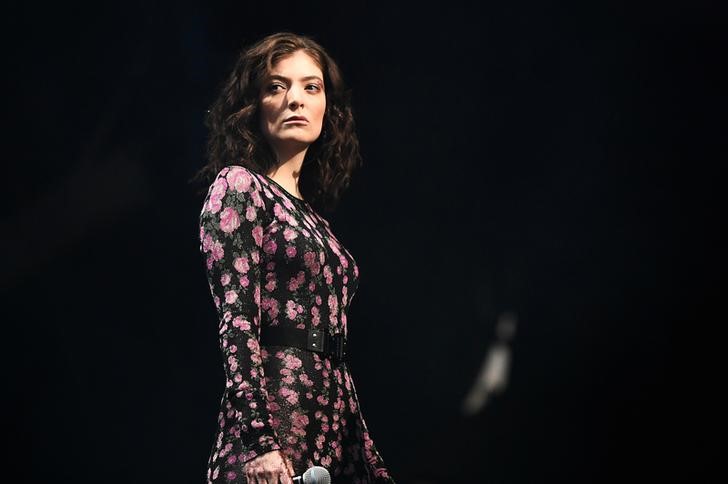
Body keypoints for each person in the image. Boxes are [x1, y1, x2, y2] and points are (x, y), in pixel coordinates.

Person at [196, 32, 396, 484]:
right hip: (272, 429)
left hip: (332, 427)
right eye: (276, 86)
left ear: (328, 107)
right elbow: (237, 320)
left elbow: (333, 349)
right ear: (253, 105)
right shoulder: (240, 187)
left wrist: (365, 451)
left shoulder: (314, 219)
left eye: (311, 87)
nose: (295, 100)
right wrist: (259, 443)